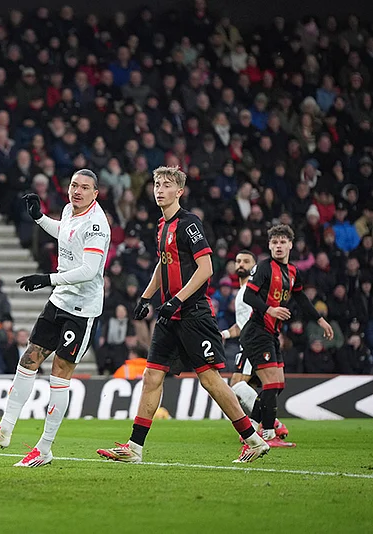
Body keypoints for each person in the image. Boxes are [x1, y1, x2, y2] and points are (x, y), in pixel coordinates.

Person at [97, 166, 270, 464]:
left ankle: (253, 439)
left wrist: (176, 300)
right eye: (156, 184)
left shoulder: (189, 224)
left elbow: (206, 269)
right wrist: (146, 296)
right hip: (170, 314)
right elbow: (163, 266)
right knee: (151, 375)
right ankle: (134, 448)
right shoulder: (161, 226)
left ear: (179, 191)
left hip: (193, 313)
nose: (159, 190)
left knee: (211, 380)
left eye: (166, 185)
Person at [0, 169, 110, 467]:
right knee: (28, 359)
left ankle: (44, 448)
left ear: (95, 193)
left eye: (84, 187)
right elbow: (66, 234)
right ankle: (4, 429)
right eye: (73, 185)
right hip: (59, 301)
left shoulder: (97, 224)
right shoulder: (71, 210)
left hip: (81, 310)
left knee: (59, 373)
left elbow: (89, 271)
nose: (77, 191)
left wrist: (47, 278)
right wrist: (40, 219)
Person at [238, 225, 334, 446]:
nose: (278, 246)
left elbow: (301, 299)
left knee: (278, 384)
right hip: (257, 331)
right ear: (269, 245)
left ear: (290, 245)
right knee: (270, 385)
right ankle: (268, 435)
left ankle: (251, 429)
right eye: (274, 242)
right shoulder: (263, 268)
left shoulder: (292, 272)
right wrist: (270, 309)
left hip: (271, 333)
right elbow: (249, 297)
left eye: (282, 242)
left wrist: (320, 319)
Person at [221, 251, 290, 441]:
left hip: (256, 343)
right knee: (253, 386)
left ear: (255, 267)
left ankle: (270, 425)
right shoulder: (241, 292)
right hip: (249, 342)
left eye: (246, 261)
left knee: (238, 385)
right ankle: (265, 426)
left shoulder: (252, 291)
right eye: (238, 261)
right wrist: (225, 334)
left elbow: (260, 319)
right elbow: (242, 324)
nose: (241, 264)